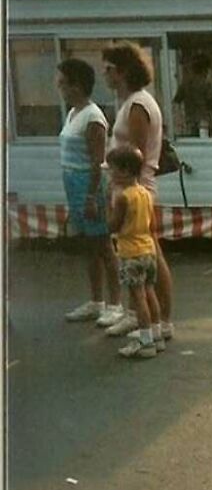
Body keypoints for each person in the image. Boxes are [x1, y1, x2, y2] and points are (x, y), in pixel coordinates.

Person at [102, 41, 174, 341]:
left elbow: (137, 154)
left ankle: (162, 318)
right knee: (138, 253)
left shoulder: (137, 105)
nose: (104, 76)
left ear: (122, 72)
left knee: (148, 253)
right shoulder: (133, 102)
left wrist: (123, 187)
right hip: (129, 187)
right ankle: (141, 315)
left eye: (108, 70)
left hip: (135, 188)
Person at [56, 58, 124, 327]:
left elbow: (98, 161)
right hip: (73, 182)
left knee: (104, 245)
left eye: (63, 83)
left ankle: (115, 304)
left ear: (77, 85)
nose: (59, 88)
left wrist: (91, 197)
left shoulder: (93, 117)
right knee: (88, 245)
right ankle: (96, 301)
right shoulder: (73, 113)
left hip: (89, 184)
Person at [106, 145, 164, 359]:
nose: (110, 175)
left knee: (137, 297)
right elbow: (152, 225)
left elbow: (113, 225)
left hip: (130, 252)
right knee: (149, 292)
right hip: (148, 248)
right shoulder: (146, 194)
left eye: (112, 170)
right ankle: (156, 335)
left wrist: (107, 206)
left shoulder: (123, 197)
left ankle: (145, 340)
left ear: (125, 171)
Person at [173, 52, 212, 137]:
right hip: (204, 122)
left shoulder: (185, 84)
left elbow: (176, 101)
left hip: (189, 122)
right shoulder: (205, 84)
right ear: (205, 70)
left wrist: (179, 120)